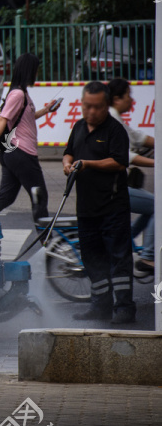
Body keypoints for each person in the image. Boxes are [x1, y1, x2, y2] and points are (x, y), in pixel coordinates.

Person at [63, 81, 135, 324]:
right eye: (87, 106)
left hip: (113, 207)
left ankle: (124, 308)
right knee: (92, 260)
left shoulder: (115, 131)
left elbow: (119, 162)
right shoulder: (79, 126)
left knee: (119, 259)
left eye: (97, 107)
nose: (91, 112)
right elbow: (69, 152)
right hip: (86, 209)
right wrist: (67, 163)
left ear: (106, 106)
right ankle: (100, 307)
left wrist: (88, 164)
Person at [0, 53, 62, 218]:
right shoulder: (17, 94)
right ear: (29, 71)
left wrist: (46, 110)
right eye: (36, 70)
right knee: (40, 196)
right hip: (21, 153)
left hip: (14, 153)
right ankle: (46, 239)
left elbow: (26, 119)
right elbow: (3, 120)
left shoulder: (22, 94)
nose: (37, 74)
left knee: (6, 197)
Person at [108, 78, 155, 272]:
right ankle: (148, 256)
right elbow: (127, 156)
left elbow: (138, 137)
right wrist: (157, 163)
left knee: (150, 206)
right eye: (129, 96)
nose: (131, 100)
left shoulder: (115, 117)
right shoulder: (111, 118)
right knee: (159, 206)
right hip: (114, 187)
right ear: (117, 99)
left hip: (116, 185)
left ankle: (128, 242)